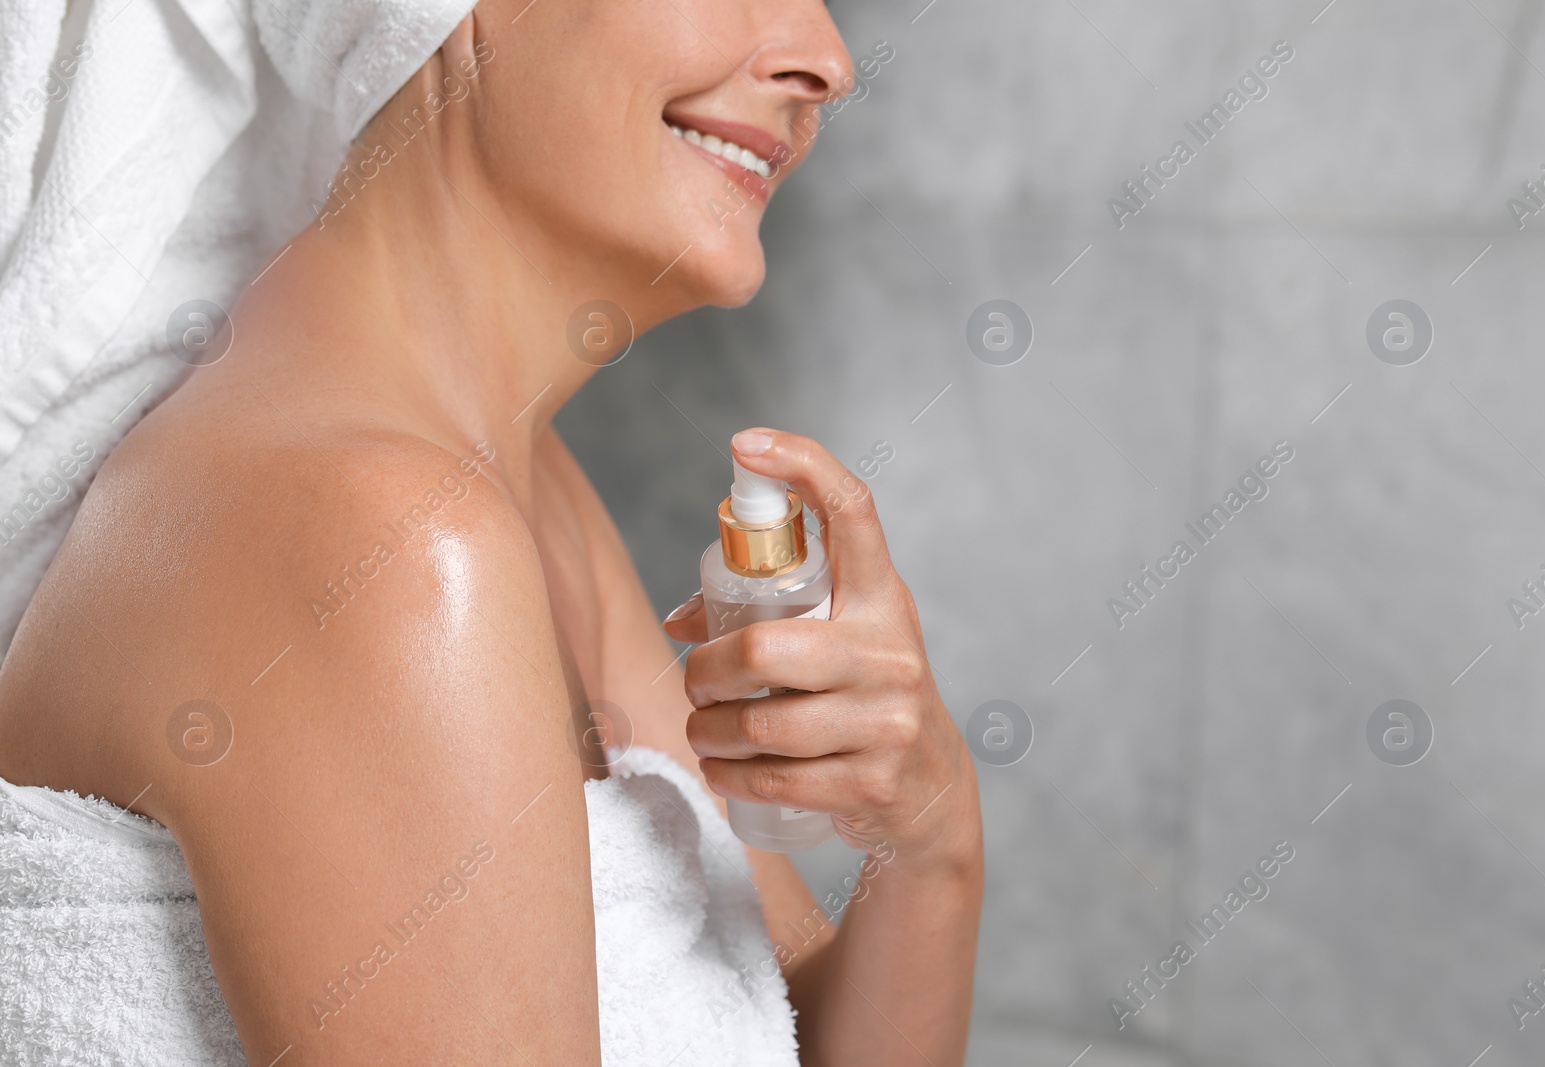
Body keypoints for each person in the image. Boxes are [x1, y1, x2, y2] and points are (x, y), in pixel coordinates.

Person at [0, 1, 982, 1063]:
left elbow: (797, 1032)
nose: (827, 62)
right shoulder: (375, 538)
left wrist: (931, 841)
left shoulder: (517, 487)